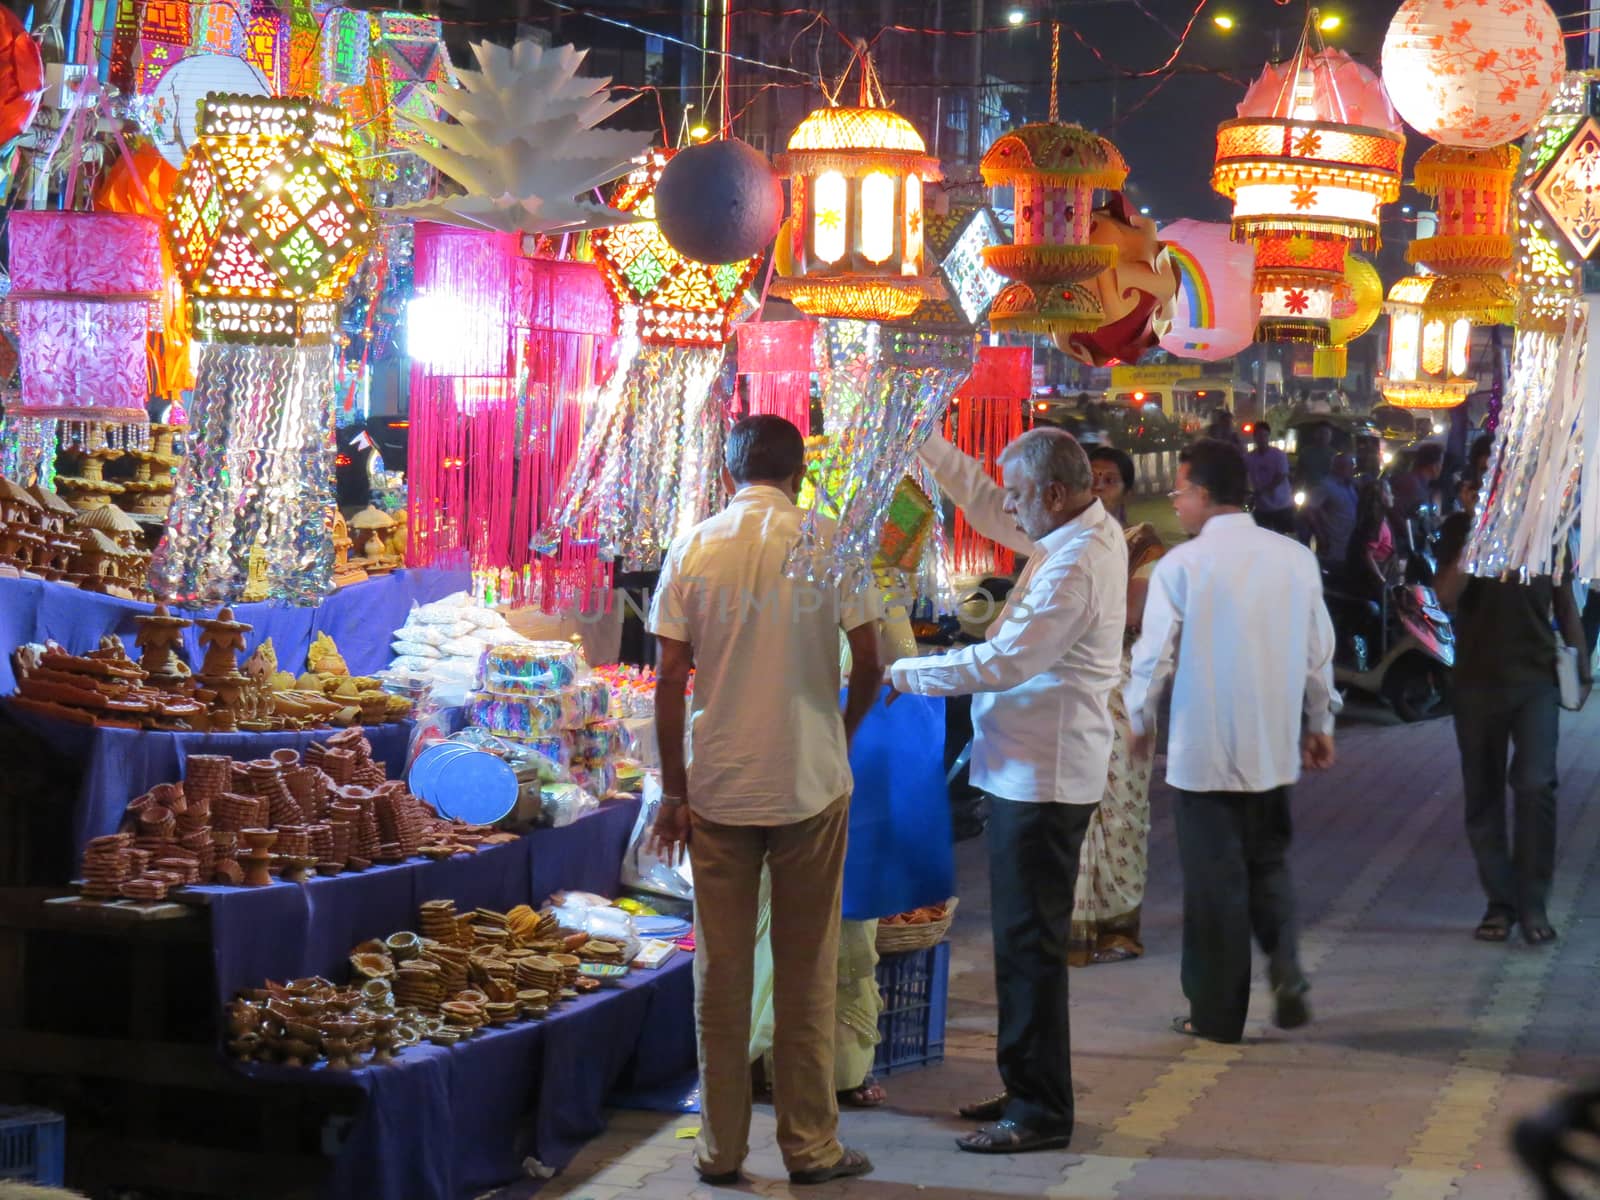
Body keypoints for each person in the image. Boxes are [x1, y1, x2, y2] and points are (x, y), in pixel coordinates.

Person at [646, 414, 881, 1187]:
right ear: (798, 473)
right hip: (810, 780)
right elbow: (871, 660)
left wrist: (674, 792)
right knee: (806, 968)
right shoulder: (829, 541)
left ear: (729, 471)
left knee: (720, 972)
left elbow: (671, 677)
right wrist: (836, 732)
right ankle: (810, 1148)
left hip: (719, 783)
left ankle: (719, 1150)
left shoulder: (695, 543)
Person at [886, 426, 1126, 1154]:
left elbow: (1006, 662)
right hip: (1027, 766)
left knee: (1029, 946)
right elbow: (990, 504)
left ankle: (1041, 1111)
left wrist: (902, 673)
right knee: (1023, 944)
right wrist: (922, 439)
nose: (1012, 510)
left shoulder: (1078, 559)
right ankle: (1026, 1083)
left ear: (1055, 492)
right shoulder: (1068, 531)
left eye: (1024, 495)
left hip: (1044, 776)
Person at [1125, 438, 1338, 1045]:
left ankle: (1216, 1015)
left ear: (1199, 492)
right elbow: (1317, 652)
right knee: (1266, 866)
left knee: (1214, 884)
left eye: (1179, 492)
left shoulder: (1183, 566)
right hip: (1272, 747)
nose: (1176, 503)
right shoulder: (1294, 557)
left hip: (1206, 751)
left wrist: (1140, 720)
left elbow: (1153, 656)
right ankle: (1287, 968)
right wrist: (1320, 725)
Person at [1436, 500, 1589, 947]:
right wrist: (1477, 536)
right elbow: (1446, 594)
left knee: (1536, 784)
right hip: (1476, 683)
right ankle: (1500, 904)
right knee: (1483, 794)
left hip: (1536, 680)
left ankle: (1533, 902)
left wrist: (1580, 666)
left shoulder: (1547, 531)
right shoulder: (1463, 526)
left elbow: (1564, 604)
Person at [1072, 446, 1165, 965]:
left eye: (1110, 479)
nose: (1102, 486)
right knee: (1077, 808)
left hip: (1123, 685)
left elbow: (1132, 613)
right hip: (1076, 689)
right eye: (1093, 479)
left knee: (1122, 811)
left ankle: (1117, 927)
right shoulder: (1064, 544)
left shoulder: (1143, 545)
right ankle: (1076, 926)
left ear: (1126, 489)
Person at [1346, 478, 1397, 600]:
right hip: (1369, 584)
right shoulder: (1375, 524)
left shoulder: (1381, 520)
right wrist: (1381, 580)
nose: (1393, 496)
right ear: (1382, 495)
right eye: (1389, 493)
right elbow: (1367, 555)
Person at [1305, 454, 1359, 567]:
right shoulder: (1325, 486)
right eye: (1350, 466)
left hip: (1349, 542)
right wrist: (1321, 537)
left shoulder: (1349, 486)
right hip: (1334, 543)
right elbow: (1310, 510)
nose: (1353, 469)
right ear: (1339, 467)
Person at [1389, 442, 1446, 546]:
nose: (1441, 468)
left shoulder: (1418, 484)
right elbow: (1399, 516)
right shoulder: (1411, 485)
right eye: (1441, 463)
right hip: (1403, 548)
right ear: (1433, 466)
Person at [1245, 422, 1295, 535]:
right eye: (1259, 436)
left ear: (1268, 436)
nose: (1262, 439)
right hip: (1262, 507)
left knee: (1284, 537)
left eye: (1264, 436)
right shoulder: (1249, 457)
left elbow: (1281, 476)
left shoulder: (1279, 455)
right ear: (1254, 438)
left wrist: (1263, 490)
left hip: (1282, 505)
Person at [1296, 423, 1334, 489]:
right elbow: (1299, 471)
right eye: (1321, 433)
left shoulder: (1334, 454)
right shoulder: (1305, 452)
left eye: (1326, 434)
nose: (1323, 436)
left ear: (1330, 437)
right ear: (1315, 434)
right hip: (1308, 487)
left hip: (1328, 489)